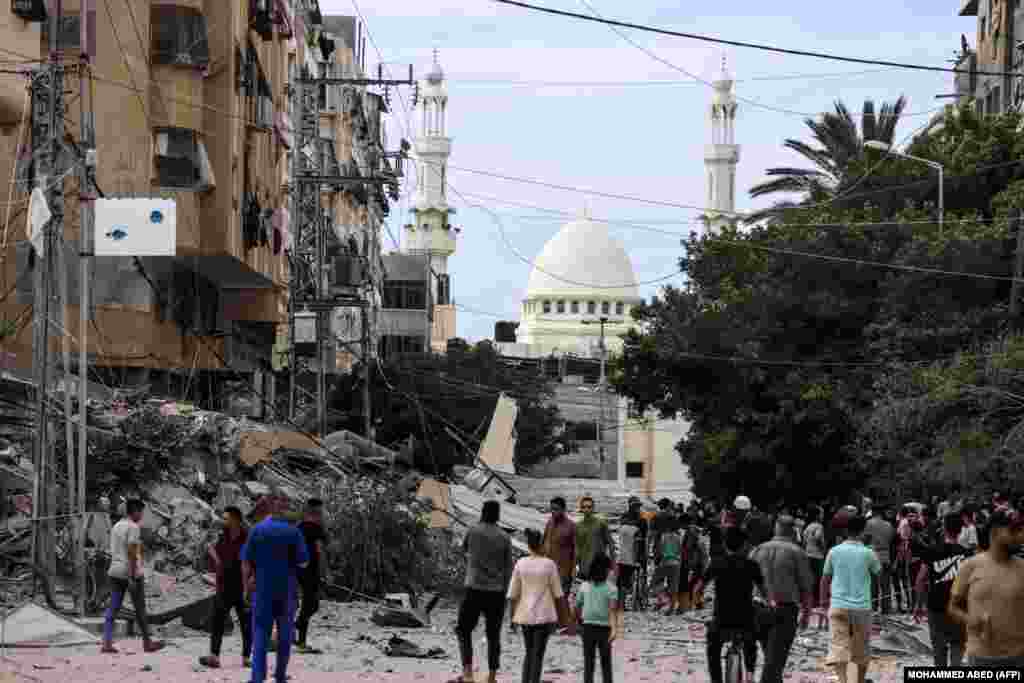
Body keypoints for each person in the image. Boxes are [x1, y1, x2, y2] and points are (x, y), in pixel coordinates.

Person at [242, 496, 309, 683]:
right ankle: (280, 675)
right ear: (285, 511)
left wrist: (245, 587)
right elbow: (304, 562)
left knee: (260, 633)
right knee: (285, 635)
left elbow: (246, 562)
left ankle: (257, 677)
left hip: (262, 590)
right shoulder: (294, 532)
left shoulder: (257, 530)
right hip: (287, 591)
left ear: (271, 510)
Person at [948, 508, 1024, 668]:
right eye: (1014, 530)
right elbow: (953, 607)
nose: (1021, 536)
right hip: (981, 658)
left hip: (1018, 657)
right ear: (995, 532)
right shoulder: (969, 566)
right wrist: (971, 620)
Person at [453, 500, 513, 683]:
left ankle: (468, 673)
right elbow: (508, 568)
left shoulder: (473, 531)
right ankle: (492, 676)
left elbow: (463, 550)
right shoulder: (504, 537)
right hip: (496, 591)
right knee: (493, 634)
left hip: (474, 588)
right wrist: (506, 594)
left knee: (463, 630)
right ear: (498, 514)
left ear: (483, 512)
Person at [695, 526, 766, 683]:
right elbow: (764, 591)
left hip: (722, 619)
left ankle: (716, 680)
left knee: (713, 648)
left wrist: (700, 602)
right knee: (751, 642)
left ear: (725, 545)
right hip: (744, 619)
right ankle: (750, 675)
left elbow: (698, 588)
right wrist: (764, 601)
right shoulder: (751, 565)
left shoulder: (716, 563)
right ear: (744, 545)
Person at [749, 515, 815, 683]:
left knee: (772, 659)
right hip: (784, 611)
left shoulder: (758, 550)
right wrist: (806, 614)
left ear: (775, 528)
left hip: (758, 609)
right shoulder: (797, 552)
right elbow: (806, 588)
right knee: (774, 663)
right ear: (793, 531)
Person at [820, 514, 881, 683]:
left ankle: (843, 680)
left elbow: (825, 578)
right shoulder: (868, 553)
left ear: (846, 531)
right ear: (863, 532)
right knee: (860, 648)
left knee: (838, 646)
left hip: (838, 605)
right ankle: (858, 680)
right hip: (862, 607)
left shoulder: (834, 551)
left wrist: (823, 601)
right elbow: (879, 573)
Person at [508, 527, 572, 683]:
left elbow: (512, 595)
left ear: (528, 545)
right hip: (544, 616)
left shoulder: (520, 563)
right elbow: (559, 595)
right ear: (542, 544)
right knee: (538, 654)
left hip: (525, 615)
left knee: (529, 652)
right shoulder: (549, 565)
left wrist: (512, 618)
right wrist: (564, 620)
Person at [101, 498, 165, 654]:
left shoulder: (116, 526)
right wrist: (131, 576)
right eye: (141, 512)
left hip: (114, 570)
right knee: (140, 609)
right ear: (135, 511)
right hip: (130, 572)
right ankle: (147, 643)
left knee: (113, 607)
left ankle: (107, 642)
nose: (142, 515)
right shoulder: (133, 527)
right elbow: (131, 552)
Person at [912, 512, 969, 667]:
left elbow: (920, 579)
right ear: (960, 530)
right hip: (959, 607)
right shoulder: (967, 554)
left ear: (944, 529)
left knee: (939, 649)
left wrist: (918, 605)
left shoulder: (932, 551)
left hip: (936, 606)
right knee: (958, 645)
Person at [200, 506, 251, 669]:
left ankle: (246, 657)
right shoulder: (223, 536)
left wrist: (249, 586)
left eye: (226, 518)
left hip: (242, 585)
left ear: (236, 520)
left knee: (246, 623)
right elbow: (217, 559)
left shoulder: (247, 537)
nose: (223, 521)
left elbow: (250, 562)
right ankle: (214, 656)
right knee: (218, 621)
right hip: (224, 585)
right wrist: (212, 552)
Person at [576, 553, 622, 683]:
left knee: (588, 663)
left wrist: (577, 623)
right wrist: (614, 629)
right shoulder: (612, 589)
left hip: (587, 627)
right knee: (606, 663)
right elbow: (612, 611)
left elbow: (577, 606)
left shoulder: (584, 586)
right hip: (605, 629)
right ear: (606, 570)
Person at [295, 498, 327, 653]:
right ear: (317, 512)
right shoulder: (317, 529)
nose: (322, 515)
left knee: (307, 606)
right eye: (321, 512)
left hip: (298, 570)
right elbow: (320, 551)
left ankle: (301, 643)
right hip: (311, 571)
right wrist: (324, 572)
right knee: (312, 606)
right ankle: (295, 626)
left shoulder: (298, 527)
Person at [542, 496, 576, 598]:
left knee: (561, 598)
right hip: (549, 568)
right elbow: (544, 542)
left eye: (556, 509)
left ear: (563, 510)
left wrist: (573, 569)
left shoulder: (571, 526)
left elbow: (576, 549)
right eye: (551, 509)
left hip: (564, 570)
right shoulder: (549, 523)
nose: (553, 512)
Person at [864, 503, 895, 614]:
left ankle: (873, 606)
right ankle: (886, 608)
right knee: (886, 584)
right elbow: (891, 540)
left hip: (872, 555)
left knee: (872, 584)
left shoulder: (868, 524)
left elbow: (865, 540)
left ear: (873, 512)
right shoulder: (888, 525)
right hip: (885, 555)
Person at [576, 496, 614, 581]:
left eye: (589, 507)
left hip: (599, 567)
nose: (586, 509)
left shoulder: (601, 524)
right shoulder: (578, 526)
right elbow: (577, 548)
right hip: (584, 567)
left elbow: (611, 544)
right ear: (581, 509)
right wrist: (574, 567)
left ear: (593, 508)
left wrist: (613, 565)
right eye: (584, 507)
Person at [650, 519, 683, 613]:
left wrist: (657, 558)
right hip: (676, 563)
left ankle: (662, 598)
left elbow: (660, 549)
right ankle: (671, 608)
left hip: (665, 562)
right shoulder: (679, 537)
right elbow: (680, 550)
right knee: (673, 586)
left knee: (655, 582)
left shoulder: (664, 536)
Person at [615, 513, 640, 610]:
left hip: (621, 559)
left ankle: (619, 604)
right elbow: (636, 546)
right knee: (626, 583)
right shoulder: (636, 530)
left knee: (620, 583)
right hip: (630, 560)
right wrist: (636, 560)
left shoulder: (621, 528)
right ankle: (622, 605)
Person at [803, 506, 826, 608]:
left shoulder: (808, 527)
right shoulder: (819, 526)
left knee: (810, 579)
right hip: (817, 555)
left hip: (808, 554)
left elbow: (804, 541)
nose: (823, 516)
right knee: (818, 579)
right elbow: (818, 537)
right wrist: (823, 548)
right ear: (817, 516)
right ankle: (816, 602)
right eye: (821, 514)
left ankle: (809, 601)